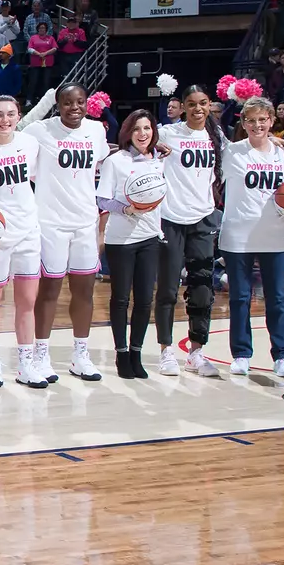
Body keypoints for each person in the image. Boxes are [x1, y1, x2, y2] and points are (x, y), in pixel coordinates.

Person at [221, 96, 284, 380]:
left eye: (262, 119)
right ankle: (241, 354)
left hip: (276, 235)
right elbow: (211, 132)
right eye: (250, 120)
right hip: (238, 236)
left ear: (271, 121)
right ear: (243, 123)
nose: (257, 125)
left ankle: (282, 355)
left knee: (277, 298)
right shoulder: (232, 152)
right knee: (240, 298)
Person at [30, 83, 110, 382]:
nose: (74, 107)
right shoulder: (40, 131)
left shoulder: (96, 132)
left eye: (79, 102)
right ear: (57, 104)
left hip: (85, 222)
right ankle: (40, 354)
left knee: (84, 290)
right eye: (67, 102)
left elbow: (103, 161)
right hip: (50, 222)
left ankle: (80, 354)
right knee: (49, 290)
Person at [0, 96, 48, 387]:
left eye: (11, 114)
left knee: (27, 301)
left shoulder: (30, 143)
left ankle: (26, 364)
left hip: (29, 230)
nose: (5, 119)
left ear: (19, 117)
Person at [155, 84, 221, 377]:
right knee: (168, 288)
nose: (197, 109)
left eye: (203, 103)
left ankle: (196, 351)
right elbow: (134, 137)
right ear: (182, 106)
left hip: (204, 219)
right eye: (191, 104)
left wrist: (275, 141)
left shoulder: (217, 137)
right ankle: (166, 350)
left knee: (203, 288)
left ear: (210, 105)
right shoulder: (168, 133)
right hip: (170, 218)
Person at [96, 110, 165, 379]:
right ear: (128, 132)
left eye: (147, 128)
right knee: (121, 298)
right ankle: (121, 354)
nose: (142, 134)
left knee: (146, 299)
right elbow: (102, 200)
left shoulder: (160, 161)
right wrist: (127, 209)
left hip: (150, 237)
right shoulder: (116, 161)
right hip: (120, 239)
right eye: (137, 129)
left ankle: (137, 352)